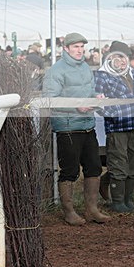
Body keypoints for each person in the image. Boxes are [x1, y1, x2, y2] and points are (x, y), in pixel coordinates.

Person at [43, 32, 109, 225]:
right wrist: (76, 107)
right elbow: (50, 100)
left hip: (87, 125)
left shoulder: (86, 67)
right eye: (75, 47)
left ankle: (92, 209)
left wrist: (96, 98)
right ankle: (69, 212)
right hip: (68, 127)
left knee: (94, 167)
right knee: (69, 170)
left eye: (82, 47)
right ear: (66, 48)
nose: (80, 50)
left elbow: (90, 91)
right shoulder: (56, 71)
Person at [94, 42, 134, 213]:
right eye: (119, 56)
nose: (123, 60)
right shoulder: (103, 75)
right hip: (116, 128)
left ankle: (129, 199)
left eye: (125, 57)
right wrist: (114, 114)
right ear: (111, 56)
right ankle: (117, 201)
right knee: (118, 163)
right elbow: (98, 101)